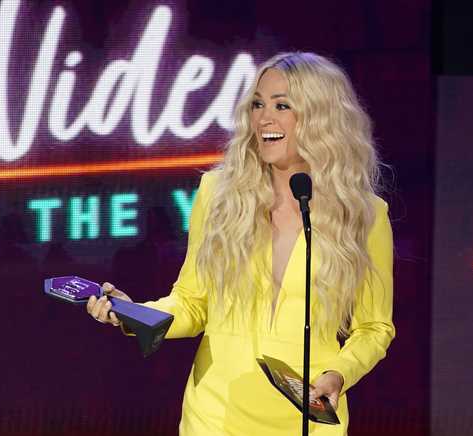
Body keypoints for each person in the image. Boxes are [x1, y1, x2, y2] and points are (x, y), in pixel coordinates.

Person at [87, 52, 395, 436]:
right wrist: (137, 315)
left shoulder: (363, 213)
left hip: (307, 420)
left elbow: (374, 327)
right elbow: (191, 302)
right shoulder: (219, 194)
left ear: (321, 117)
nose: (264, 118)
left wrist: (339, 374)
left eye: (282, 105)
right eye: (258, 104)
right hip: (216, 415)